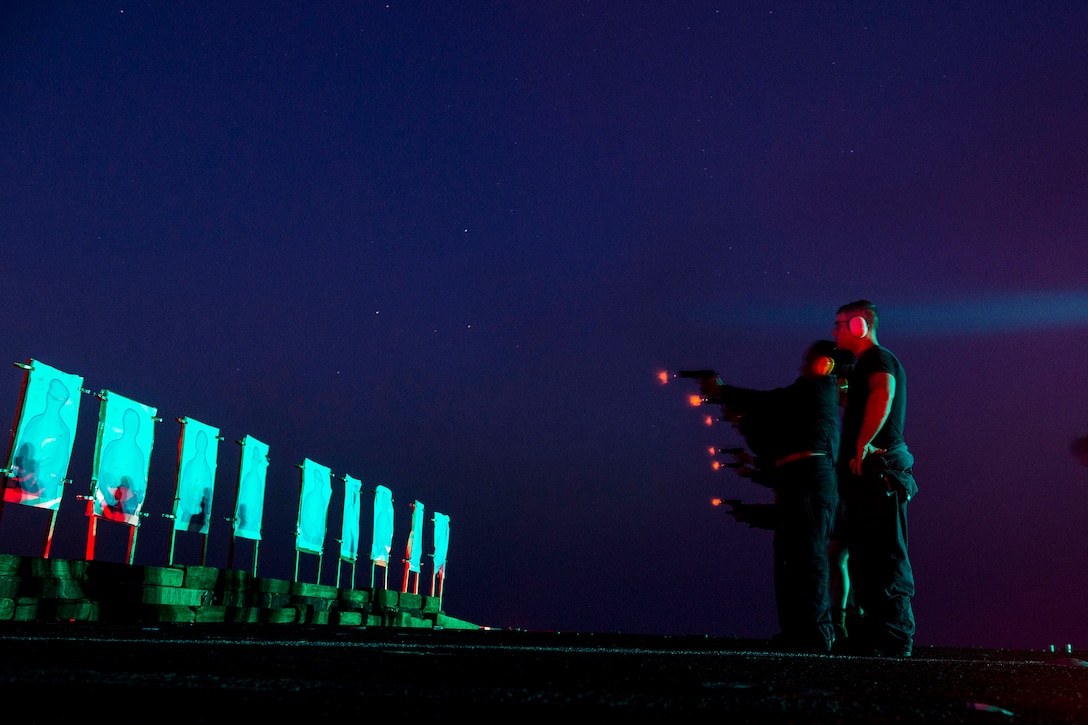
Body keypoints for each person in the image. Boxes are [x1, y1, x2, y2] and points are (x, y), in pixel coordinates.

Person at [700, 340, 843, 653]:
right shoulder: (811, 394)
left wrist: (724, 392)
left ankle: (817, 633)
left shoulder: (814, 390)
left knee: (808, 556)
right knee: (792, 556)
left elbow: (770, 403)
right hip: (800, 478)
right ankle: (798, 631)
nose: (801, 368)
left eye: (808, 362)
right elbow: (772, 423)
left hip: (808, 479)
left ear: (822, 364)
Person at [832, 300, 918, 657]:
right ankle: (877, 634)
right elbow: (861, 398)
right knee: (868, 555)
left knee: (884, 556)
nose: (834, 330)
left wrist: (863, 443)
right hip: (869, 473)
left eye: (840, 324)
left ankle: (895, 637)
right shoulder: (864, 366)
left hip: (879, 470)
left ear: (859, 326)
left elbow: (884, 393)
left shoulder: (878, 360)